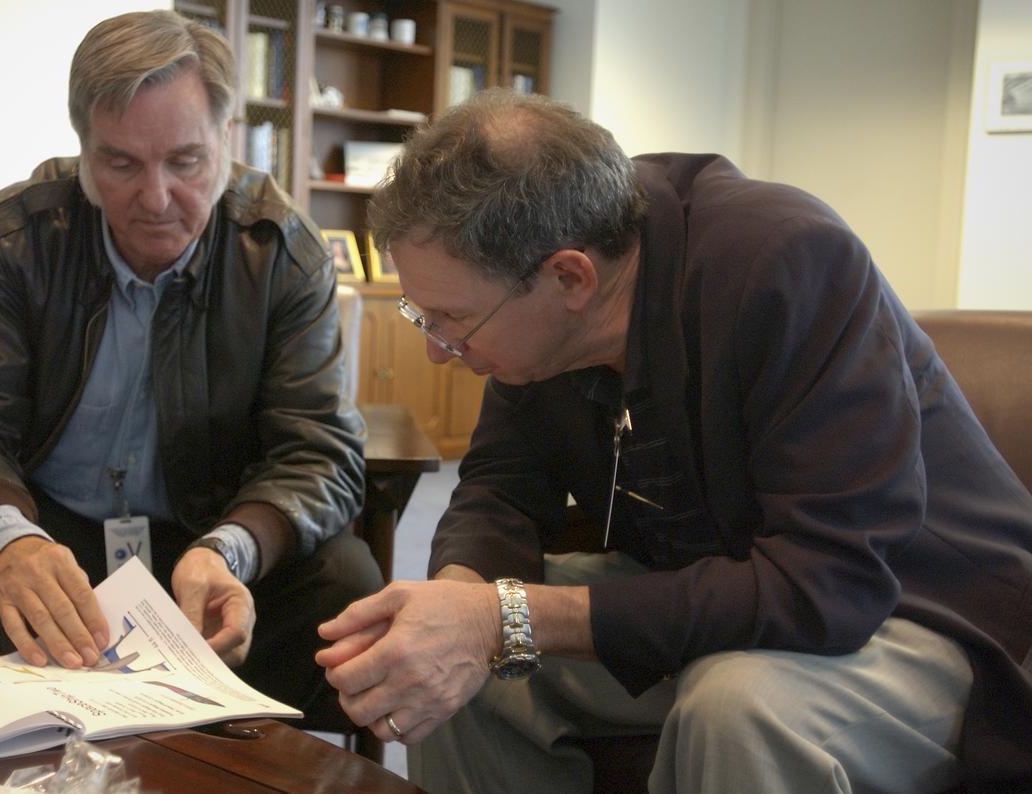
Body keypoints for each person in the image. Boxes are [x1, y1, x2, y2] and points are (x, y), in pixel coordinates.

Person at [316, 89, 1032, 792]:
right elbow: (499, 484)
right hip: (720, 579)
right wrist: (457, 606)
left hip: (911, 609)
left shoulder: (789, 263)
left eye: (452, 319)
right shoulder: (541, 312)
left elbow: (829, 586)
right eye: (424, 316)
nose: (440, 351)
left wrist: (507, 617)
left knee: (740, 704)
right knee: (439, 658)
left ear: (570, 276)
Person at [0, 10, 382, 723]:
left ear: (226, 139)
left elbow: (319, 449)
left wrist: (234, 551)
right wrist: (8, 543)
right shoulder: (11, 241)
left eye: (186, 161)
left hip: (207, 540)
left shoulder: (281, 254)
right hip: (56, 535)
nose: (155, 199)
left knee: (344, 583)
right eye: (121, 163)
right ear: (83, 151)